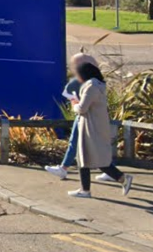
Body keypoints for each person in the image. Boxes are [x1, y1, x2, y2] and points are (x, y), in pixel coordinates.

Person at [44, 53, 115, 182]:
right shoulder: (97, 82)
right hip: (90, 117)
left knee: (80, 144)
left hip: (85, 117)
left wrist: (75, 105)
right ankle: (110, 172)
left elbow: (77, 102)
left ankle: (66, 170)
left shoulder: (86, 83)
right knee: (88, 144)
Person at [69, 62, 133, 198]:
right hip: (94, 126)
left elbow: (82, 108)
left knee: (89, 157)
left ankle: (121, 178)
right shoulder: (97, 85)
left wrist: (74, 103)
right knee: (87, 157)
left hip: (90, 127)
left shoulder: (91, 86)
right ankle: (86, 189)